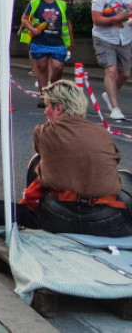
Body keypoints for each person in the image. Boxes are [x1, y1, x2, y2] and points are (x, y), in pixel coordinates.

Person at [17, 80, 131, 237]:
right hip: (107, 220)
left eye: (47, 106)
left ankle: (32, 208)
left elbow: (46, 155)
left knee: (38, 161)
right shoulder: (103, 133)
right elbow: (114, 161)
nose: (45, 112)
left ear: (59, 108)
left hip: (59, 216)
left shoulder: (44, 131)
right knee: (124, 177)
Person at [20, 0, 71, 106]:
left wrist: (71, 42)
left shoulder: (62, 4)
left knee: (58, 67)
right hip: (39, 41)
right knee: (41, 68)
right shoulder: (34, 3)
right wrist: (32, 29)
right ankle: (44, 95)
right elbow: (24, 19)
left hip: (57, 42)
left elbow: (68, 24)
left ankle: (52, 90)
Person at [92, 0, 132, 121]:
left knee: (125, 74)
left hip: (124, 39)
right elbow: (96, 20)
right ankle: (115, 108)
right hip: (104, 38)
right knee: (111, 71)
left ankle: (109, 94)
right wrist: (117, 18)